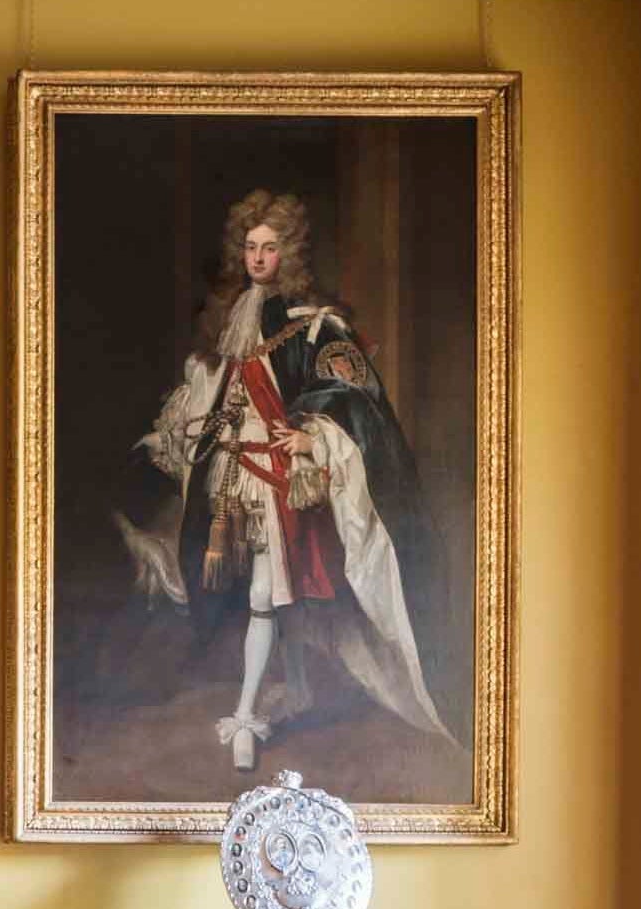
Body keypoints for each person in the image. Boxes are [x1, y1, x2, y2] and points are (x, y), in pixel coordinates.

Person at [124, 189, 455, 772]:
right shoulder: (229, 319)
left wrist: (313, 437)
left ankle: (246, 716)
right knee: (273, 595)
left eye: (270, 247)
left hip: (283, 476)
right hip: (232, 468)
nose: (258, 258)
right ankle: (295, 689)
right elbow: (217, 390)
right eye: (250, 246)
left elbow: (355, 395)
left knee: (264, 594)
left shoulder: (313, 325)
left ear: (289, 252)